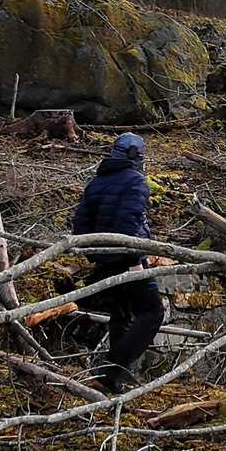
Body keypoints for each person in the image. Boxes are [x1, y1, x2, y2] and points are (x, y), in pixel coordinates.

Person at [70, 131, 165, 390]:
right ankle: (111, 369)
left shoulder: (97, 182)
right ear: (136, 156)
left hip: (104, 260)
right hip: (127, 259)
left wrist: (96, 254)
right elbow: (129, 224)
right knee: (152, 312)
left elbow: (80, 224)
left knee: (121, 315)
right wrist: (134, 259)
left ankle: (113, 380)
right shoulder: (135, 182)